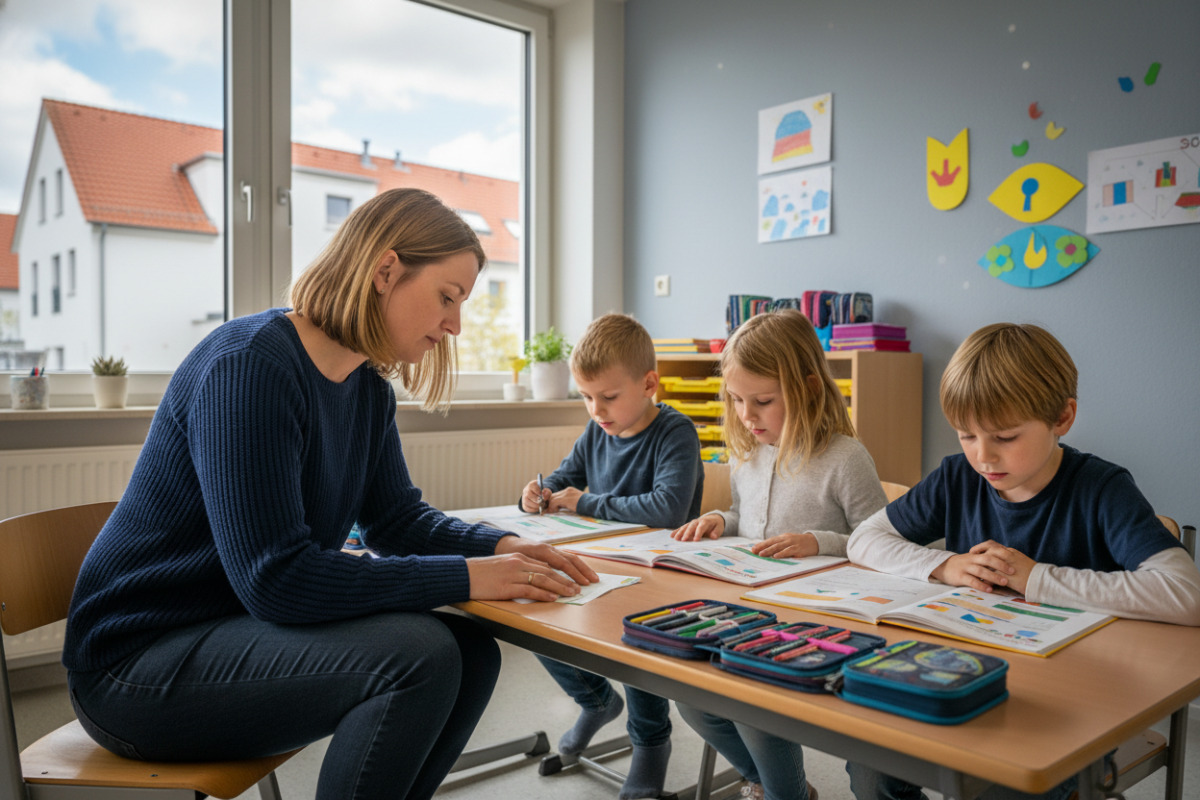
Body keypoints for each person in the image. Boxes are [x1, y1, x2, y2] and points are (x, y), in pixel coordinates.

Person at [62, 188, 596, 800]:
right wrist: (469, 576)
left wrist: (506, 546)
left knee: (471, 651)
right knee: (419, 655)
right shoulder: (249, 366)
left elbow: (395, 521)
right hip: (133, 669)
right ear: (385, 271)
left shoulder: (366, 390)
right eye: (447, 297)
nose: (455, 324)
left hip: (225, 631)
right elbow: (276, 579)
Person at [845, 322, 1200, 800]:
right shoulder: (957, 477)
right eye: (966, 435)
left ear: (1063, 417)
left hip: (1073, 708)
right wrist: (944, 566)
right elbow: (865, 539)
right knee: (872, 766)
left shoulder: (1102, 488)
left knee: (1003, 785)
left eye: (1005, 436)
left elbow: (1185, 595)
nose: (983, 456)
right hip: (965, 679)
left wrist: (1035, 579)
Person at [671, 309, 888, 800]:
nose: (747, 416)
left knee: (750, 699)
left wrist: (819, 541)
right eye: (737, 400)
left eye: (762, 401)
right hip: (748, 608)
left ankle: (781, 793)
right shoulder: (748, 453)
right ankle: (773, 785)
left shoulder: (845, 457)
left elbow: (883, 542)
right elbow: (745, 517)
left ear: (809, 387)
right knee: (691, 698)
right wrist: (720, 521)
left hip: (816, 621)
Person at [519, 312, 704, 799]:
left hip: (659, 576)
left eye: (608, 396)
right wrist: (537, 493)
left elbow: (668, 509)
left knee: (637, 643)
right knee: (531, 610)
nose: (596, 409)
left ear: (649, 384)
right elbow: (561, 478)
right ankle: (596, 701)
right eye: (586, 397)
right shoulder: (597, 431)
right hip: (601, 564)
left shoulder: (675, 432)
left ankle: (651, 743)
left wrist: (586, 502)